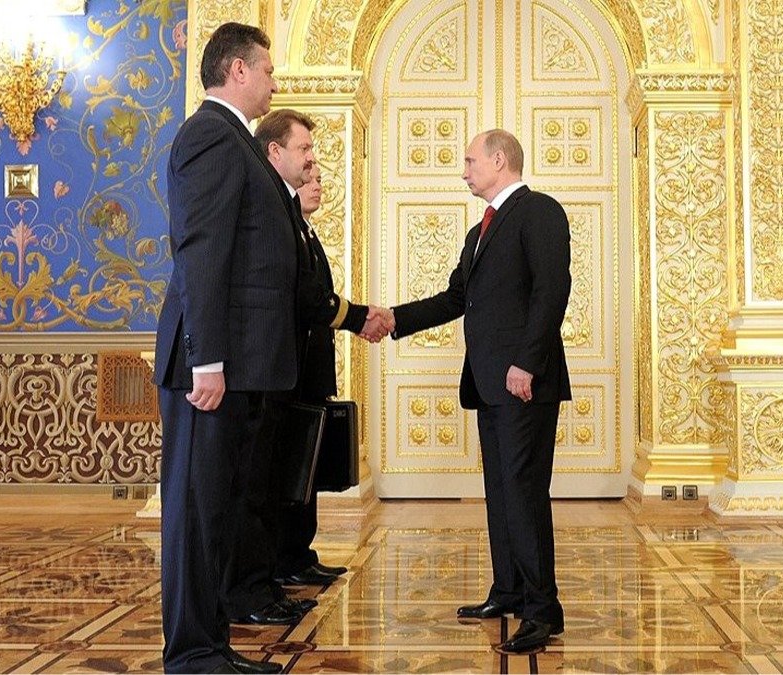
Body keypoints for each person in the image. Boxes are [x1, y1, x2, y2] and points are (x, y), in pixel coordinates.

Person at [385, 129, 572, 654]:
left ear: (499, 160)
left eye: (470, 161)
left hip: (523, 382)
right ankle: (508, 590)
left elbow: (552, 290)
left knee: (524, 493)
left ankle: (542, 611)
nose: (464, 170)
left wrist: (526, 363)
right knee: (502, 491)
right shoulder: (479, 231)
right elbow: (455, 299)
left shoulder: (539, 211)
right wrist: (393, 318)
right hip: (491, 383)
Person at [153, 22, 291, 674]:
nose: (273, 83)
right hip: (210, 364)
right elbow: (202, 251)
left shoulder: (233, 138)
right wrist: (206, 359)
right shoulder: (211, 134)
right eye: (267, 70)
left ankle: (210, 646)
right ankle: (191, 653)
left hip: (234, 362)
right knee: (194, 512)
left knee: (215, 511)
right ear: (238, 70)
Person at [221, 109, 391, 627]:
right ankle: (253, 588)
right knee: (261, 487)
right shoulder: (275, 212)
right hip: (266, 371)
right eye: (305, 151)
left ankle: (271, 577)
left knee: (284, 481)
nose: (314, 163)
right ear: (274, 152)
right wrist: (361, 318)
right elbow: (307, 297)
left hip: (286, 371)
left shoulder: (290, 219)